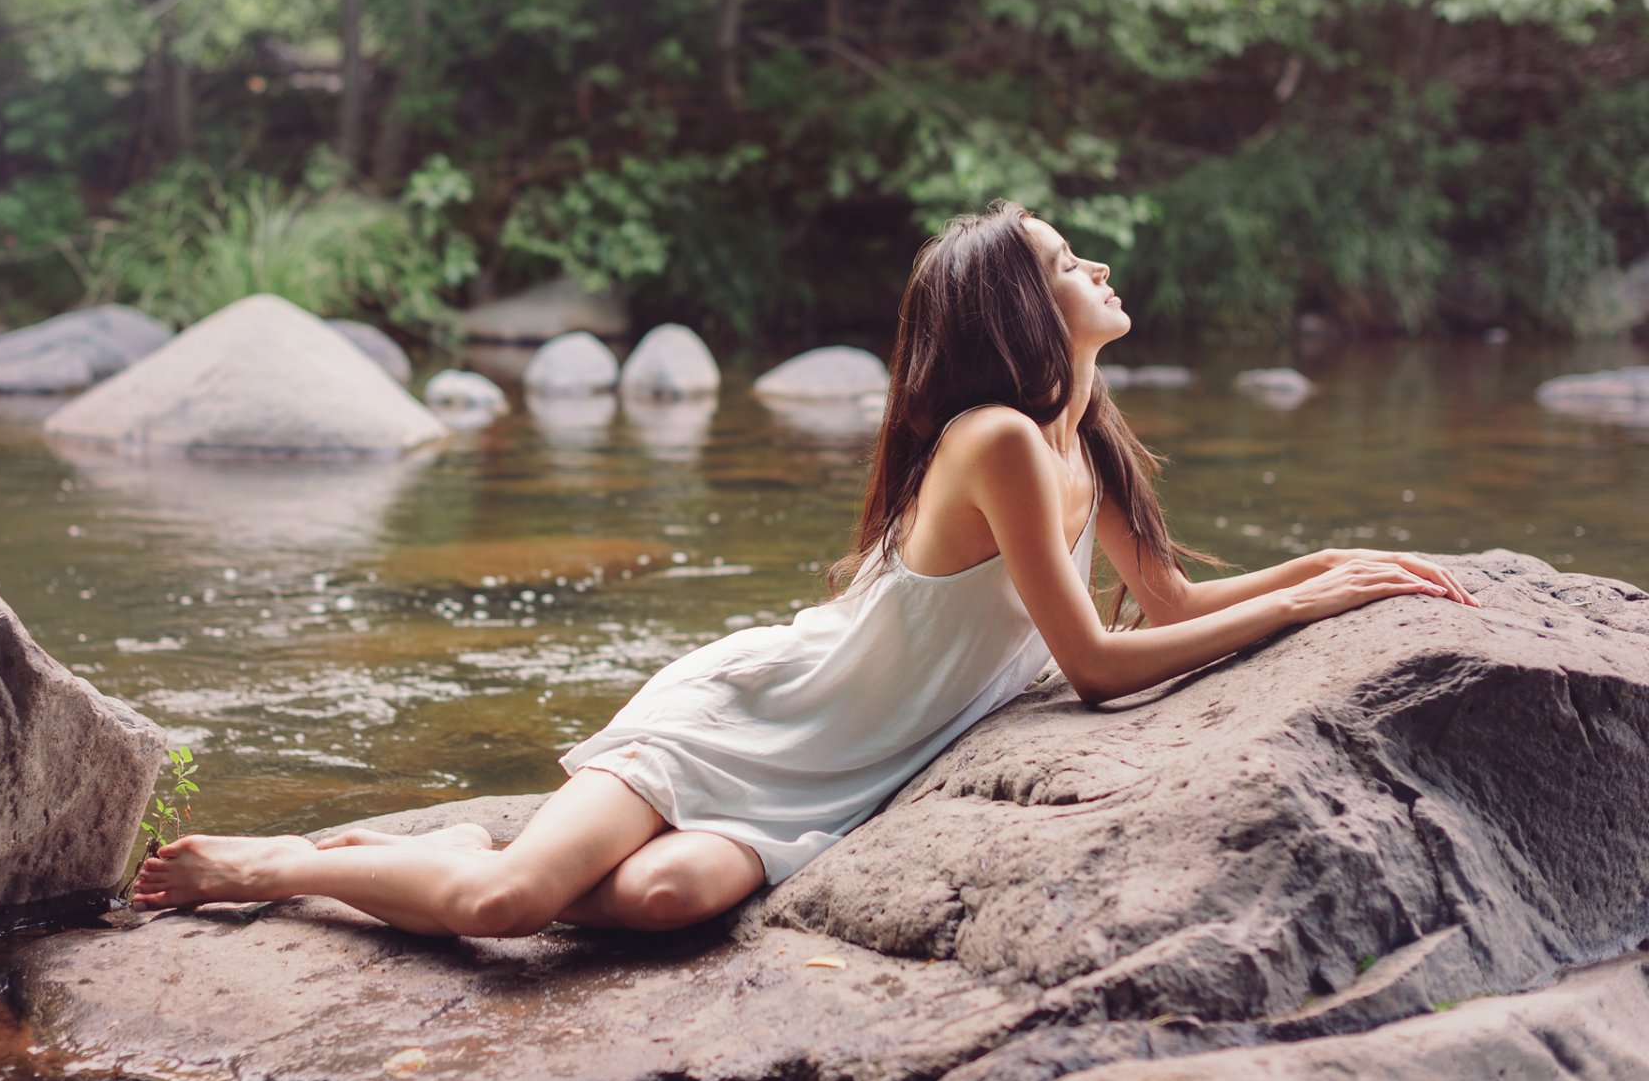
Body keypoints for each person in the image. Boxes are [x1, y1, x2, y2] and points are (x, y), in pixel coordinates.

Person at [130, 200, 1478, 931]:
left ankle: (435, 836)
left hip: (840, 781)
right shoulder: (999, 436)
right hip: (758, 718)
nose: (1103, 266)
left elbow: (1171, 602)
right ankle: (283, 863)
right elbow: (1097, 664)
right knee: (512, 908)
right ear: (1023, 308)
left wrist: (1342, 559)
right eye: (1071, 261)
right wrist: (1313, 600)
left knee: (655, 898)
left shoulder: (1089, 441)